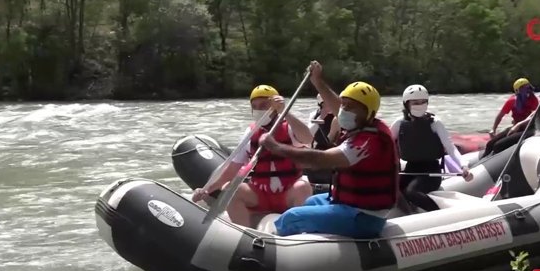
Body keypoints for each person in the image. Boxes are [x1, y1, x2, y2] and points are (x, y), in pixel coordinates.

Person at [259, 61, 398, 239]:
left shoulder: (368, 142)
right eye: (344, 105)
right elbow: (337, 106)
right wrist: (317, 80)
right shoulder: (360, 124)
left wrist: (277, 147)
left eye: (351, 107)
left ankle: (273, 247)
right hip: (350, 204)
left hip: (364, 217)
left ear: (368, 113)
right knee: (310, 202)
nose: (344, 110)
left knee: (291, 218)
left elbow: (321, 159)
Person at [191, 84, 314, 226]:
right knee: (229, 188)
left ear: (274, 106)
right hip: (261, 194)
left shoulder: (290, 127)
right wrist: (207, 189)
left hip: (288, 192)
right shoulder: (250, 133)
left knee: (303, 187)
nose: (259, 110)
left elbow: (308, 139)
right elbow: (232, 170)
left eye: (264, 105)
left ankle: (298, 231)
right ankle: (245, 235)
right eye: (255, 106)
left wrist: (285, 111)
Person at [391, 84, 472, 212]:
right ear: (407, 104)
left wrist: (464, 166)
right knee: (392, 189)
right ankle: (408, 213)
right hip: (410, 169)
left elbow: (450, 147)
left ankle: (439, 213)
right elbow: (385, 144)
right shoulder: (399, 123)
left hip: (431, 171)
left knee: (411, 192)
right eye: (415, 102)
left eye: (423, 102)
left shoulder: (435, 123)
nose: (420, 105)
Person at [483, 78, 539, 155]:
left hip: (527, 128)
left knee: (498, 145)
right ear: (517, 91)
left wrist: (519, 125)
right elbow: (500, 115)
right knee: (490, 144)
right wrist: (493, 129)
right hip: (515, 127)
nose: (527, 90)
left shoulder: (533, 100)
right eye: (523, 88)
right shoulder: (512, 101)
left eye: (528, 87)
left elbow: (535, 115)